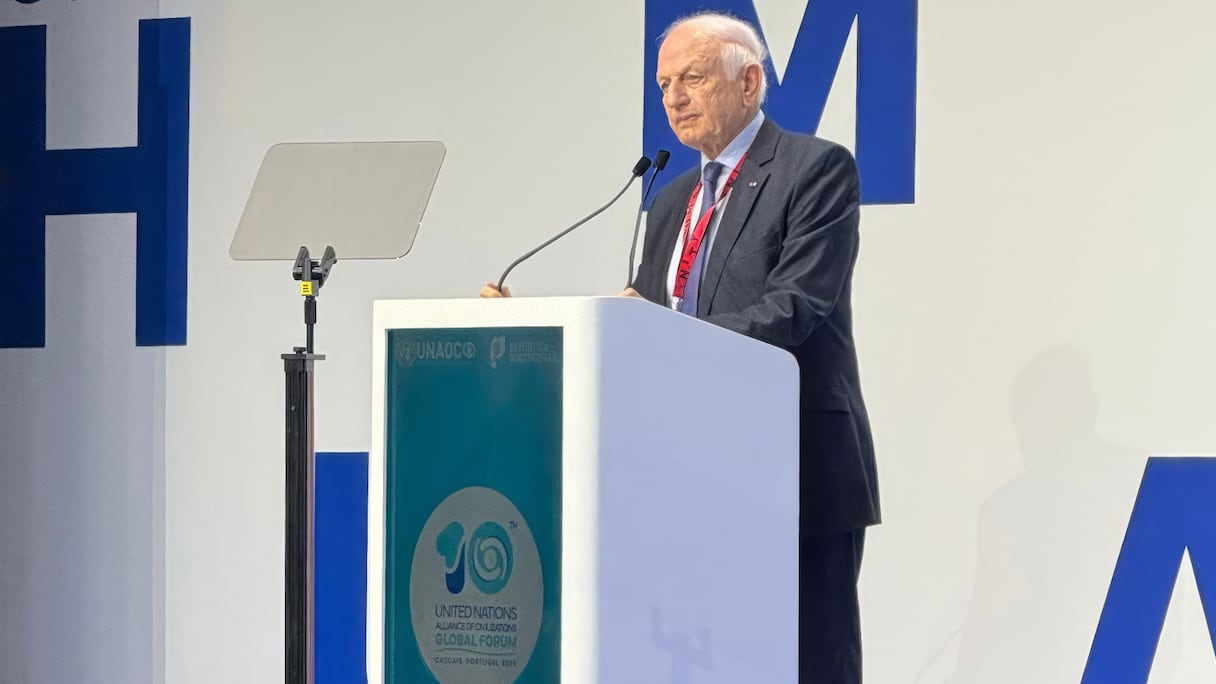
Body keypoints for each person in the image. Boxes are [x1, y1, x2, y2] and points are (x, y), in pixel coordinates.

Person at [483, 12, 878, 683]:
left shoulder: (814, 170)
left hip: (793, 467)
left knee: (810, 660)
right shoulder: (670, 200)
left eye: (691, 78)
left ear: (748, 82)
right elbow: (642, 328)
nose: (673, 97)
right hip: (688, 478)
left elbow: (795, 308)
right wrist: (539, 328)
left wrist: (661, 333)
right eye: (664, 84)